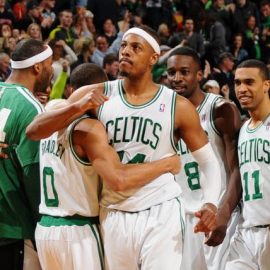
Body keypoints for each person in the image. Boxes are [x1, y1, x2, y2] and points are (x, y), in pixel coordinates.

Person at [26, 26, 222, 270]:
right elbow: (34, 131)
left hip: (161, 210)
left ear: (153, 59)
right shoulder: (96, 94)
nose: (126, 52)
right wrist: (76, 106)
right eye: (124, 46)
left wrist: (211, 203)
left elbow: (209, 162)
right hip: (114, 211)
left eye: (136, 47)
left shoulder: (177, 106)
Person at [34, 63, 180, 270]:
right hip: (79, 229)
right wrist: (168, 163)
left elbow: (34, 128)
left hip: (46, 228)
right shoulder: (90, 129)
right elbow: (119, 179)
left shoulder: (51, 114)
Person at [166, 46, 242, 270]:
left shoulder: (221, 110)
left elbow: (236, 169)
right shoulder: (166, 113)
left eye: (184, 71)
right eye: (172, 72)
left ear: (200, 75)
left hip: (217, 213)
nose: (177, 78)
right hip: (183, 218)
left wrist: (224, 215)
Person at [0, 38, 53, 270]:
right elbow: (34, 176)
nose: (52, 72)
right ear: (38, 67)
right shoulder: (31, 108)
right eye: (51, 65)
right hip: (14, 227)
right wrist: (43, 227)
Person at [215, 59, 270, 270]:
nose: (242, 89)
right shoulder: (244, 128)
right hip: (246, 232)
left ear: (266, 85)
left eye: (249, 82)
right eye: (238, 83)